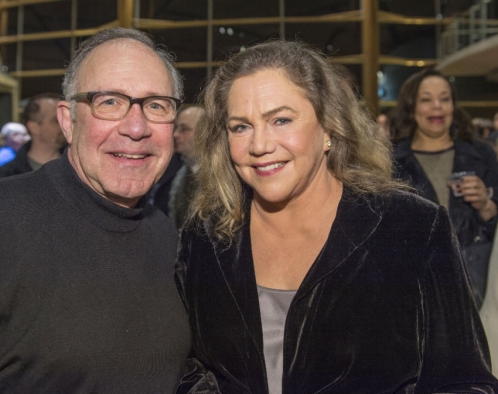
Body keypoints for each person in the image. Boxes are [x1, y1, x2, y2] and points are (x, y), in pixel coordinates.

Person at [175, 40, 497, 393]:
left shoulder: (412, 229)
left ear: (328, 127)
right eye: (240, 127)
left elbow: (465, 381)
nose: (260, 145)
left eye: (281, 120)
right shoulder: (206, 237)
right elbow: (189, 367)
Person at [0, 28, 190, 393]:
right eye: (109, 102)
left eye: (157, 105)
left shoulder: (167, 238)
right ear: (68, 121)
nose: (136, 127)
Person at [390, 68, 498, 308]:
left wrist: (485, 204)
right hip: (416, 289)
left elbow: (492, 219)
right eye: (426, 100)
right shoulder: (391, 162)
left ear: (453, 106)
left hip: (478, 286)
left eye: (445, 99)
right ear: (411, 107)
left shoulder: (481, 154)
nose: (437, 106)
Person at [0, 93, 67, 178]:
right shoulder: (8, 176)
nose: (66, 124)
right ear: (34, 127)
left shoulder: (78, 168)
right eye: (57, 120)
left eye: (67, 119)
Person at [169, 105, 204, 230]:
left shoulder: (222, 177)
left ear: (204, 134)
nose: (176, 135)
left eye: (184, 129)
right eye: (177, 128)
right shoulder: (181, 174)